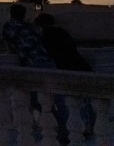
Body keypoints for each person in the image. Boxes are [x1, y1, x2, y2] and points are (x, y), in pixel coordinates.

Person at [35, 13, 95, 141]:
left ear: (42, 25)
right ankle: (88, 128)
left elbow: (51, 53)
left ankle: (78, 129)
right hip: (81, 66)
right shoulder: (63, 31)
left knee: (72, 102)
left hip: (67, 69)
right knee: (84, 102)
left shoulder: (46, 35)